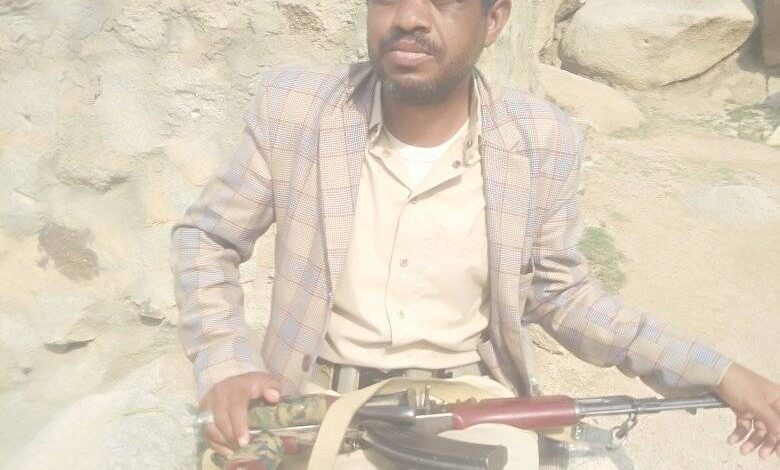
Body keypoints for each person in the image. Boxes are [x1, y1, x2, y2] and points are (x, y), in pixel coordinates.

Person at [169, 0, 780, 467]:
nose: (409, 18)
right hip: (312, 407)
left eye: (444, 1)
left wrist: (718, 372)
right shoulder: (298, 110)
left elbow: (562, 295)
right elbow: (207, 238)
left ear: (494, 20)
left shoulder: (540, 140)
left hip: (469, 410)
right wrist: (226, 365)